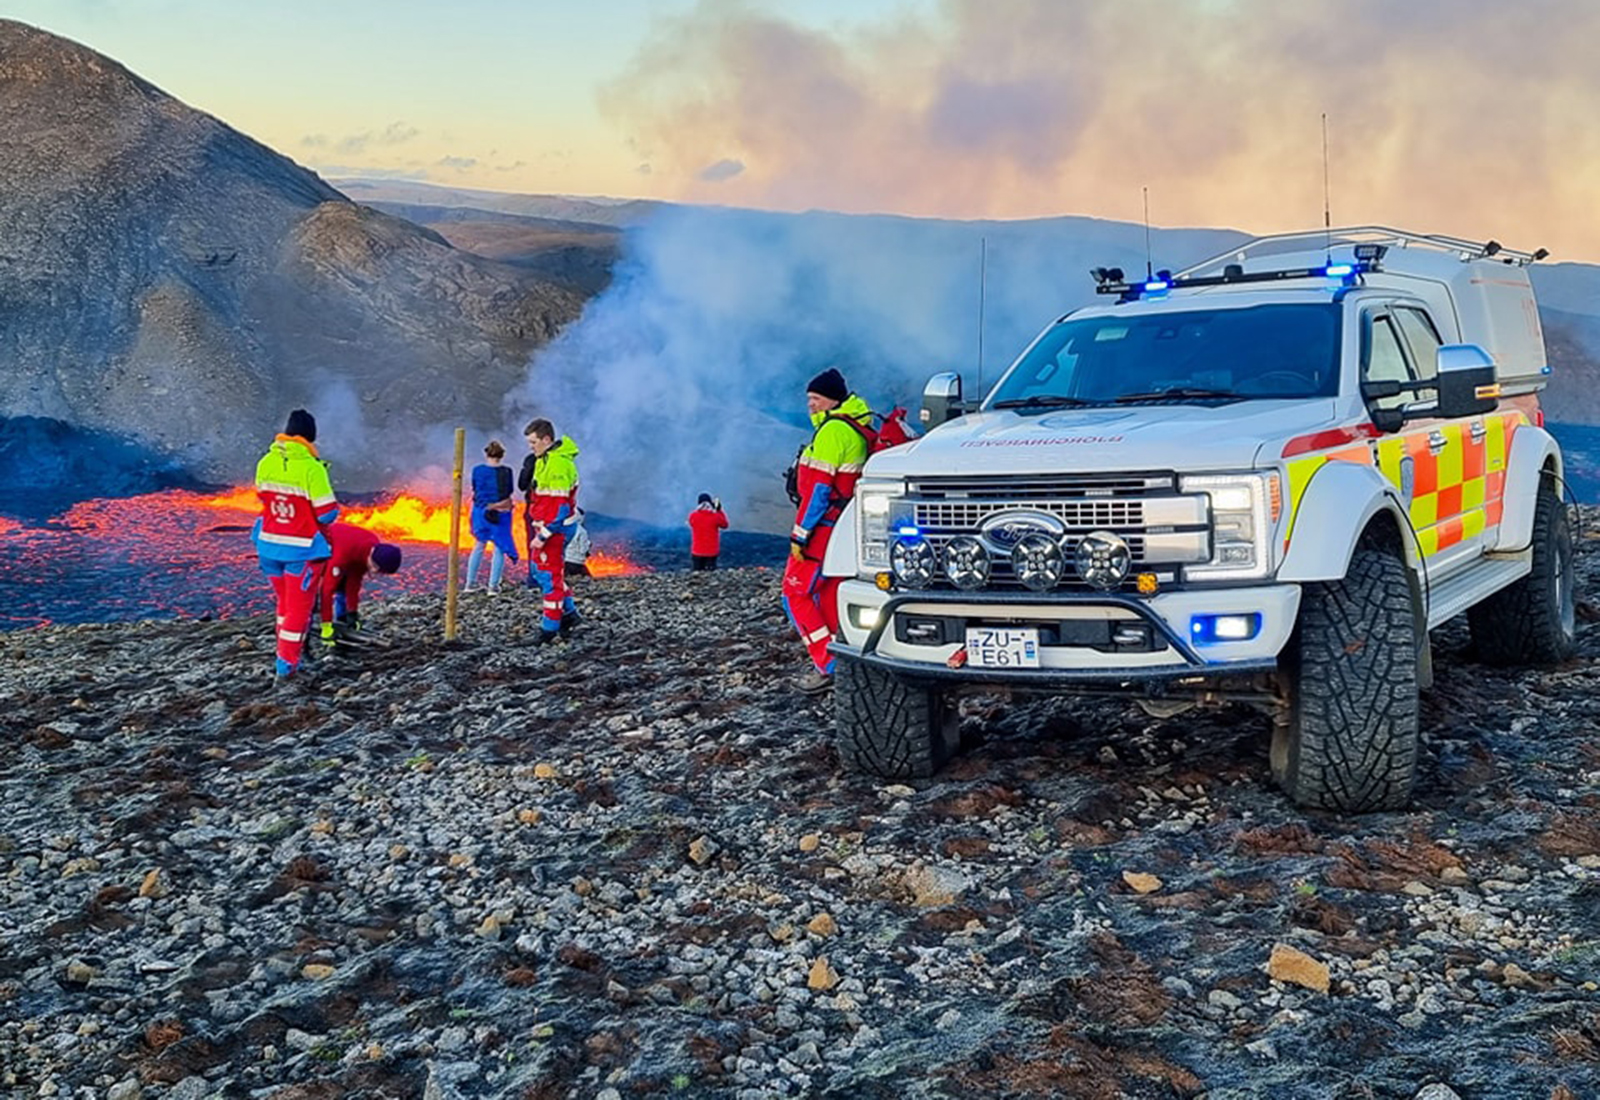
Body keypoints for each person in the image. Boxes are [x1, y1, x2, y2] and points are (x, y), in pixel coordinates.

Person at [783, 368, 872, 693]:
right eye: (809, 399)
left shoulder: (834, 431)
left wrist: (800, 534)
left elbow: (819, 490)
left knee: (794, 593)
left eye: (815, 398)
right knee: (830, 593)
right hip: (844, 527)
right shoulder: (856, 425)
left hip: (824, 528)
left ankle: (829, 664)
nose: (810, 405)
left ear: (832, 400)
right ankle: (847, 656)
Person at [251, 408, 338, 681]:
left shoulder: (265, 461)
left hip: (268, 546)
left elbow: (262, 498)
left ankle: (285, 654)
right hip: (301, 550)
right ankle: (286, 667)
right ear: (310, 437)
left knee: (284, 605)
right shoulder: (312, 468)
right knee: (299, 611)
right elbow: (327, 513)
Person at [518, 418, 581, 643]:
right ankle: (570, 615)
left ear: (546, 439)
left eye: (533, 442)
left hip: (555, 531)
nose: (531, 447)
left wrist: (543, 536)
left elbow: (560, 508)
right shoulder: (546, 459)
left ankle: (549, 629)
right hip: (546, 528)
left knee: (548, 576)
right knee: (540, 571)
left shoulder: (557, 465)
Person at [317, 521, 402, 648]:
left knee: (344, 591)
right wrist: (326, 626)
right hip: (321, 547)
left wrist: (352, 612)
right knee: (313, 592)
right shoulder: (342, 555)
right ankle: (307, 632)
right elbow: (326, 590)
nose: (373, 571)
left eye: (379, 571)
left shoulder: (371, 546)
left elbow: (354, 582)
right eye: (374, 567)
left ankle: (342, 621)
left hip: (346, 551)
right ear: (371, 557)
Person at [465, 439, 518, 594]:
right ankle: (493, 586)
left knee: (479, 545)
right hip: (500, 513)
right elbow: (509, 491)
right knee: (499, 547)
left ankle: (470, 583)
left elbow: (475, 488)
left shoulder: (477, 470)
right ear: (502, 455)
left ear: (486, 453)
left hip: (480, 512)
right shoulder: (506, 471)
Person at [688, 493, 728, 570]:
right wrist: (719, 510)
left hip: (697, 551)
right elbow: (725, 525)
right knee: (710, 575)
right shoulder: (715, 517)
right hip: (711, 552)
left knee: (697, 574)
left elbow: (691, 523)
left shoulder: (693, 516)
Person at [564, 508, 592, 578]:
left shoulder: (562, 528)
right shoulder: (582, 531)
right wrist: (588, 545)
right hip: (576, 563)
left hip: (563, 562)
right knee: (589, 581)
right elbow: (583, 550)